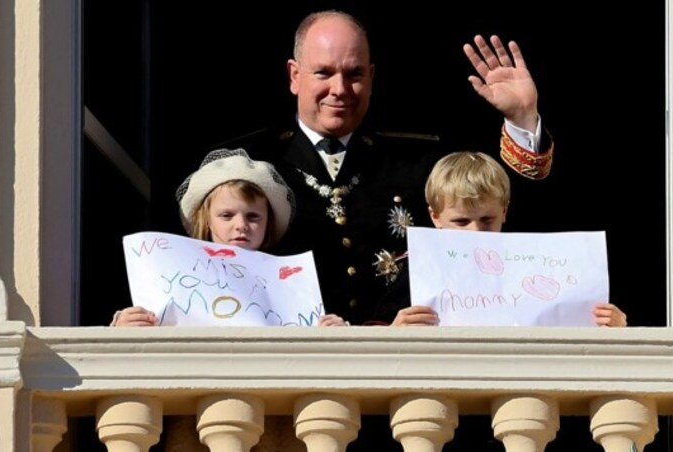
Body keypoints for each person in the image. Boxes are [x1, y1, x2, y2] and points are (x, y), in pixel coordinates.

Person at [212, 9, 555, 327]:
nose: (340, 89)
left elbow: (500, 215)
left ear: (371, 76)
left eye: (354, 74)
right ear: (294, 75)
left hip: (404, 365)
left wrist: (521, 118)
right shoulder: (247, 162)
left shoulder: (417, 160)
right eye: (324, 73)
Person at [379, 151, 628, 328]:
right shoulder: (417, 272)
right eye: (461, 222)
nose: (476, 232)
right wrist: (394, 331)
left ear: (505, 212)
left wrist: (614, 327)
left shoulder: (535, 263)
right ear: (435, 217)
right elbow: (379, 336)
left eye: (487, 220)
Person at [111, 147, 347, 327]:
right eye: (226, 215)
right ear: (207, 221)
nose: (241, 225)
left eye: (253, 217)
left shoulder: (293, 284)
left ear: (268, 223)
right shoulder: (168, 271)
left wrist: (330, 332)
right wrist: (125, 325)